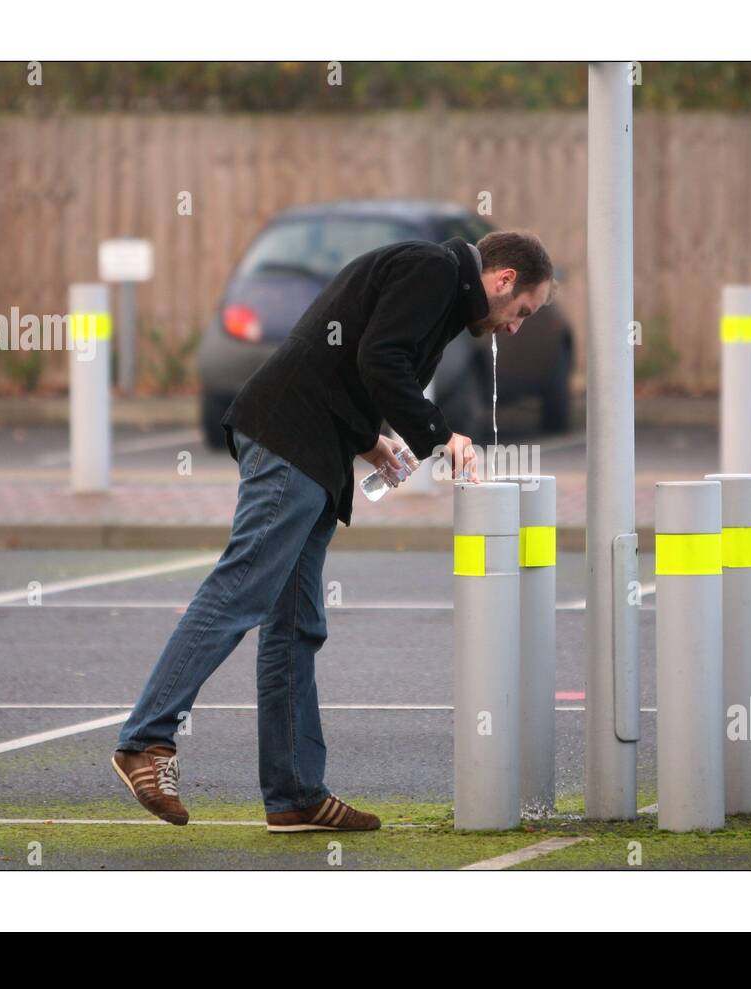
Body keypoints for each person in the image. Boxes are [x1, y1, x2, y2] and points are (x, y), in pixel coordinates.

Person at [112, 230, 556, 832]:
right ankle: (145, 740)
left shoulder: (437, 282)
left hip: (311, 445)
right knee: (240, 589)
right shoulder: (432, 269)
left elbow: (349, 360)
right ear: (504, 280)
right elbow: (382, 359)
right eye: (522, 311)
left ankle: (295, 793)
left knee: (296, 624)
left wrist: (369, 439)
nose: (515, 327)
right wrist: (437, 434)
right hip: (289, 440)